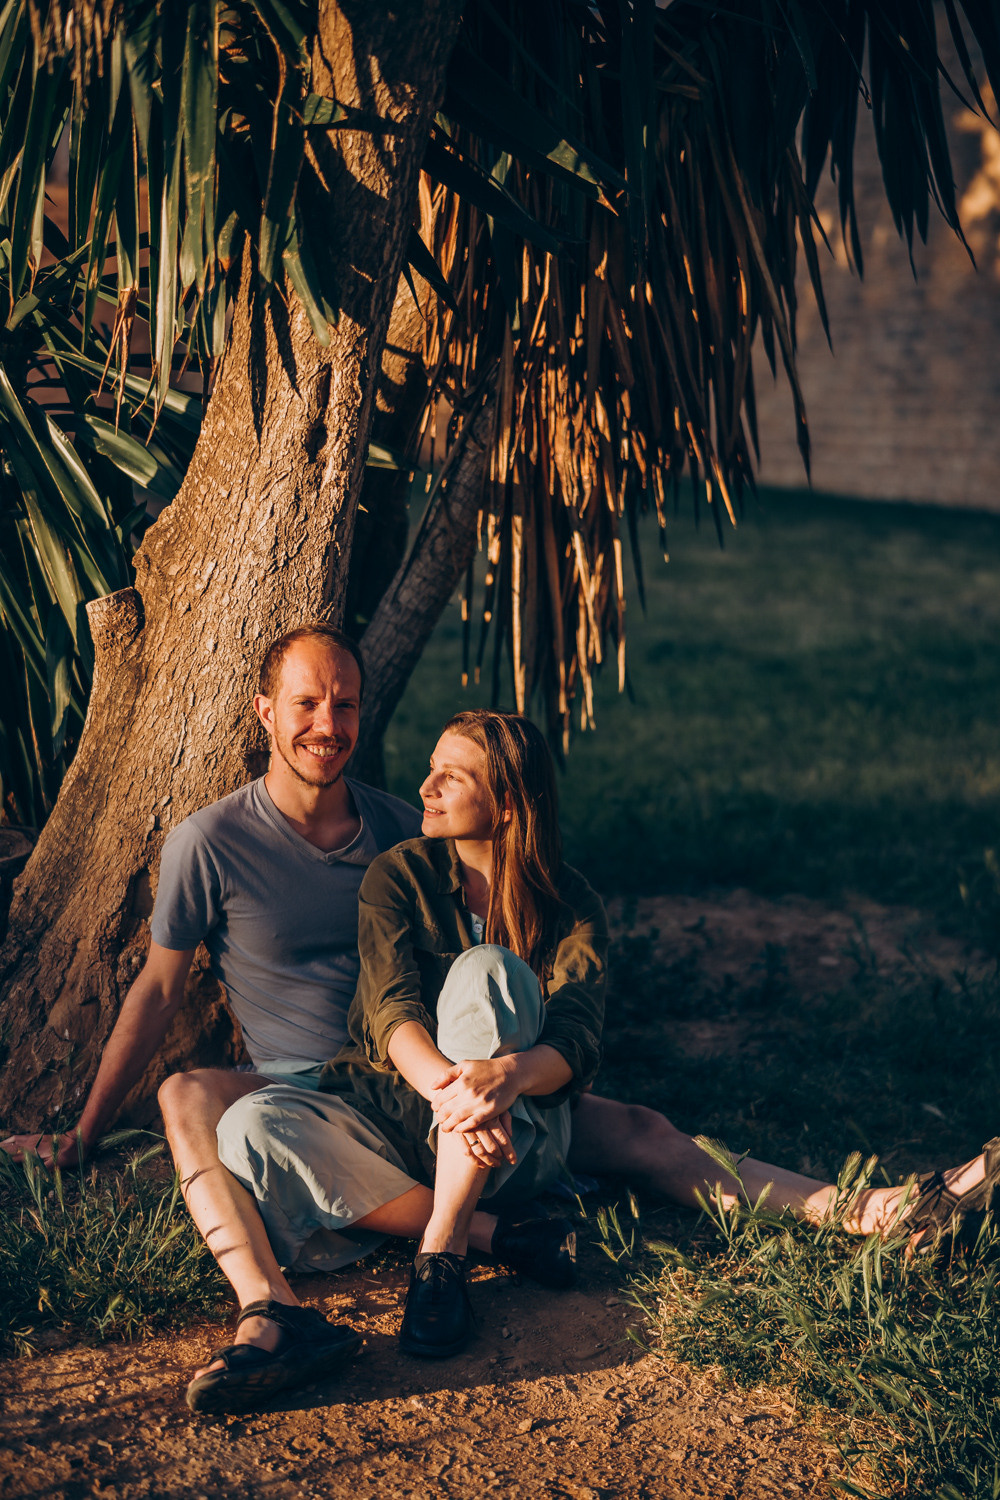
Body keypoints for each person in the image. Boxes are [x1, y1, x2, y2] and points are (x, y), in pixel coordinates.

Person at [4, 634, 997, 1410]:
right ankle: (343, 1284)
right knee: (212, 1104)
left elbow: (567, 1023)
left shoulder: (413, 834)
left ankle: (876, 1214)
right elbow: (270, 997)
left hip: (478, 1086)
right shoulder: (237, 846)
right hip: (366, 1088)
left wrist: (492, 1081)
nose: (330, 722)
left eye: (344, 702)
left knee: (599, 1086)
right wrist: (88, 1133)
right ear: (265, 711)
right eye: (306, 702)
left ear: (503, 802)